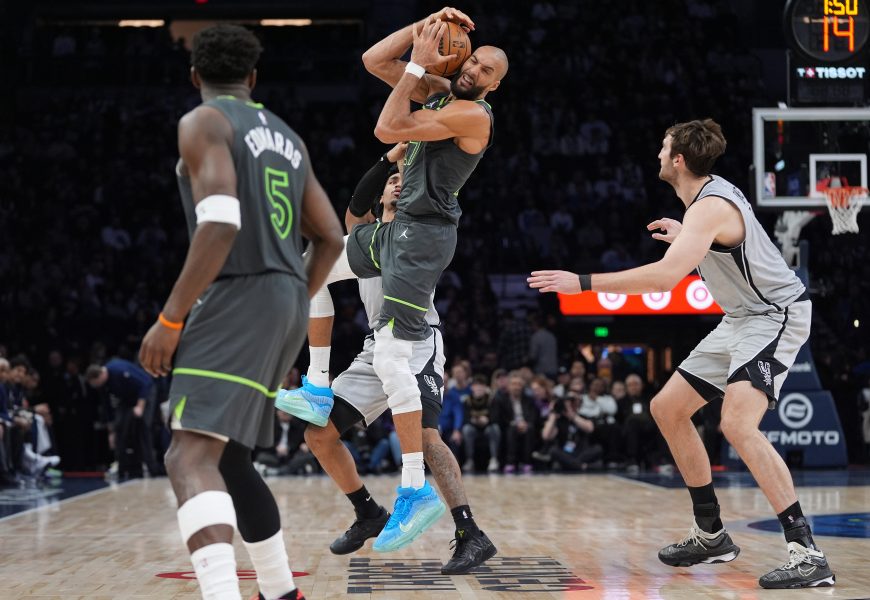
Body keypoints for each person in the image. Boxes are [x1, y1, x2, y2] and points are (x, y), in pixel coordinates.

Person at [528, 119, 834, 589]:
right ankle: (711, 533)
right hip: (740, 318)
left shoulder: (708, 207)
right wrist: (688, 235)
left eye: (663, 147)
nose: (657, 154)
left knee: (737, 424)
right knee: (667, 408)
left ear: (678, 159)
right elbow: (719, 242)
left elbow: (664, 278)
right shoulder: (702, 205)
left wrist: (582, 283)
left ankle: (807, 553)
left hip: (775, 315)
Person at [278, 6, 508, 552]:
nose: (472, 68)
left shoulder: (472, 114)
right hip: (394, 243)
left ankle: (446, 514)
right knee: (312, 268)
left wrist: (419, 67)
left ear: (494, 85)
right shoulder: (437, 97)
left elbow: (387, 126)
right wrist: (425, 26)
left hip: (422, 250)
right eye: (472, 59)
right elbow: (372, 59)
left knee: (419, 421)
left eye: (485, 69)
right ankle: (323, 404)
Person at [137, 24, 343, 600]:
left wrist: (170, 319)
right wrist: (287, 308)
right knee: (229, 459)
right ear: (252, 77)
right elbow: (329, 237)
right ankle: (280, 592)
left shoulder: (204, 120)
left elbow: (221, 221)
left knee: (188, 454)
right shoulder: (287, 135)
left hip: (240, 294)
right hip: (288, 297)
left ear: (195, 76)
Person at [279, 148, 497, 572]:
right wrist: (386, 160)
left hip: (417, 341)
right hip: (374, 347)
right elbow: (355, 205)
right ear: (379, 197)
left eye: (403, 180)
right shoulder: (363, 234)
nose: (398, 183)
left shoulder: (417, 228)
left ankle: (470, 532)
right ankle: (368, 513)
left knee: (427, 438)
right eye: (391, 182)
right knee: (318, 435)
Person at [86, 359, 159, 478]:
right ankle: (124, 468)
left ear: (100, 375)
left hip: (145, 393)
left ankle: (152, 468)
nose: (96, 386)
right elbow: (107, 407)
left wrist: (140, 407)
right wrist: (111, 431)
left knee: (143, 427)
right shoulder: (103, 385)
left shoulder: (119, 371)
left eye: (95, 383)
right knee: (120, 428)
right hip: (127, 399)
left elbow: (145, 384)